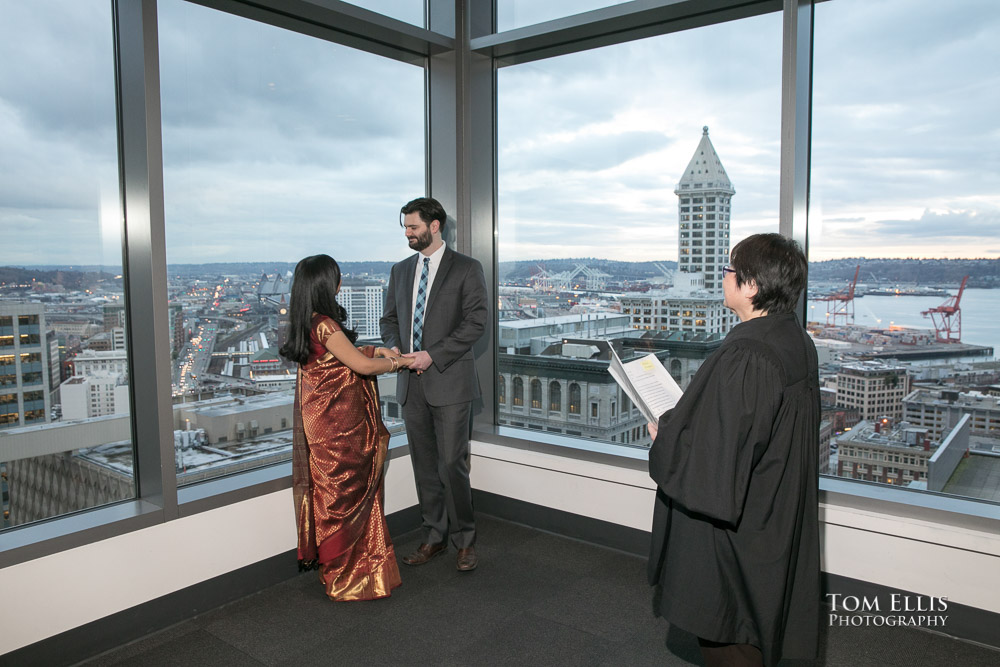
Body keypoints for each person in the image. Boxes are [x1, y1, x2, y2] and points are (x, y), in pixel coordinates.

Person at [646, 233, 820, 667]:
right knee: (759, 629)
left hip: (736, 537)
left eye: (729, 269)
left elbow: (716, 458)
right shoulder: (794, 339)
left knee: (731, 636)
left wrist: (665, 435)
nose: (723, 275)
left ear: (752, 285)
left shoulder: (748, 352)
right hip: (773, 513)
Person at [279, 254, 413, 601]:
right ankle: (349, 578)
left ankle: (342, 573)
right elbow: (361, 367)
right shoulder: (325, 324)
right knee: (347, 495)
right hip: (339, 425)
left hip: (320, 422)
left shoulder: (305, 322)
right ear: (329, 285)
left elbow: (335, 359)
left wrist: (374, 350)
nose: (341, 283)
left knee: (332, 495)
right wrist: (396, 361)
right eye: (337, 278)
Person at [380, 196, 488, 572]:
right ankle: (434, 536)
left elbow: (476, 324)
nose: (408, 234)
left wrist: (433, 354)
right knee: (425, 466)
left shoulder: (467, 269)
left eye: (413, 227)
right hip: (410, 385)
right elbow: (389, 318)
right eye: (405, 228)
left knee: (451, 464)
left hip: (451, 383)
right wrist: (393, 345)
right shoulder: (400, 271)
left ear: (435, 225)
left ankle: (464, 541)